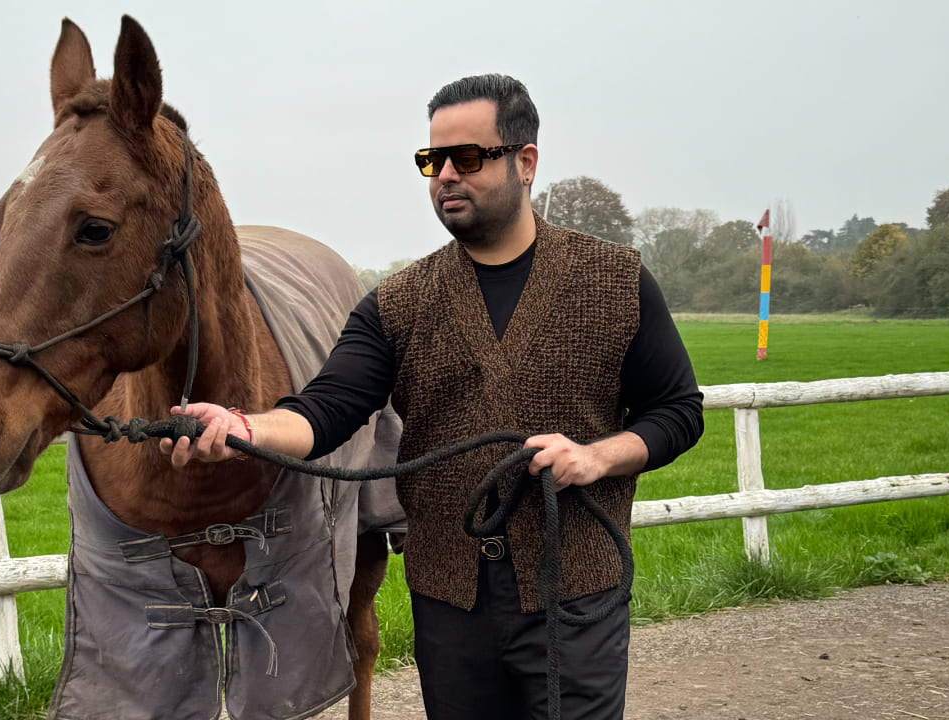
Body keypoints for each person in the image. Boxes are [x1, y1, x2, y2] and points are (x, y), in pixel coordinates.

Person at [162, 73, 704, 720]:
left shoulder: (615, 283)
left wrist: (598, 459)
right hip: (451, 606)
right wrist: (245, 429)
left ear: (525, 162)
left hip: (575, 595)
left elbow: (678, 411)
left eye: (468, 158)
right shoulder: (398, 304)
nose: (445, 174)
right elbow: (326, 411)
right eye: (432, 160)